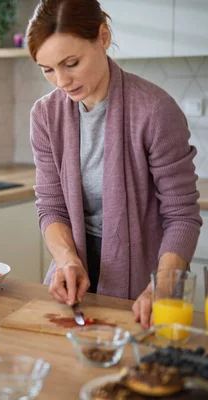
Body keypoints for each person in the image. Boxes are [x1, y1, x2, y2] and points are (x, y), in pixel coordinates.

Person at [27, 0, 201, 328]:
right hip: (73, 283)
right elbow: (51, 208)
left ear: (103, 37)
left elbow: (182, 216)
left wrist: (161, 286)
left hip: (146, 284)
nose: (62, 81)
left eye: (71, 63)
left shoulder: (155, 110)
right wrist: (66, 260)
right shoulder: (45, 116)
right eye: (48, 69)